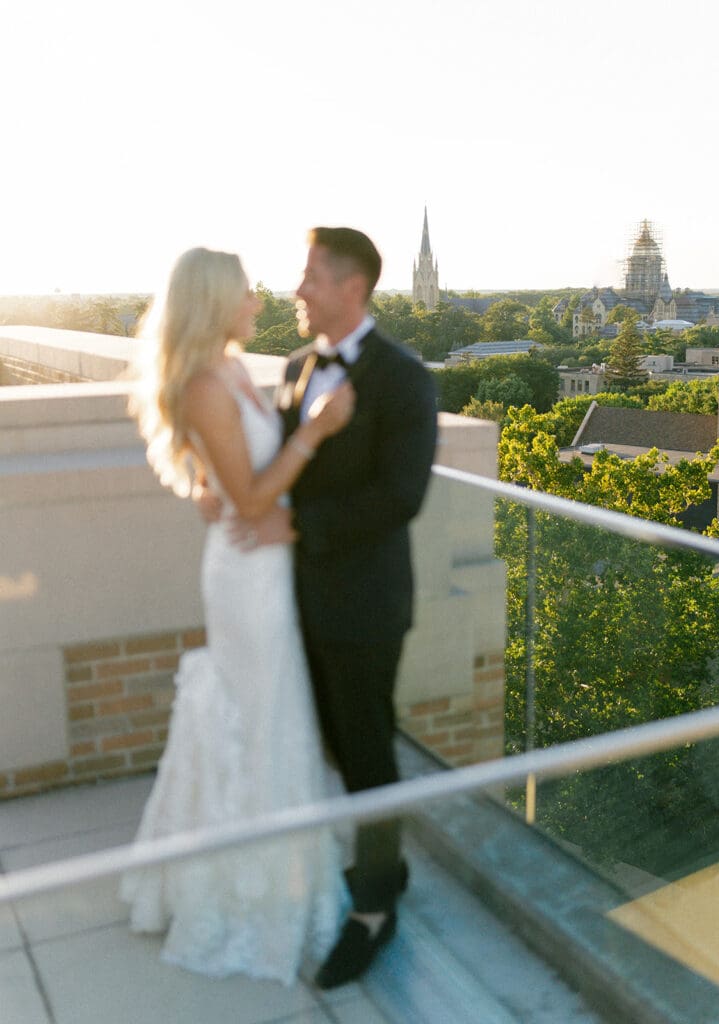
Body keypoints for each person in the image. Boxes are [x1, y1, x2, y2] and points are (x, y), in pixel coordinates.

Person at [119, 246, 355, 985]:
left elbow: (224, 483)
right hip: (247, 573)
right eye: (248, 293)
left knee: (277, 716)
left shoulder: (232, 369)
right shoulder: (201, 386)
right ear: (217, 301)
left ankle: (282, 878)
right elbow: (251, 500)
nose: (261, 303)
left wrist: (215, 488)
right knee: (261, 720)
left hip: (271, 565)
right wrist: (316, 430)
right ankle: (245, 896)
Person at [277, 227, 437, 987]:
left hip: (365, 603)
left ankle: (374, 906)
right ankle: (388, 861)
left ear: (352, 286)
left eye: (309, 276)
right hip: (293, 599)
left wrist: (302, 524)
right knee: (338, 745)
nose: (296, 290)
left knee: (367, 751)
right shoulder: (292, 367)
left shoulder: (403, 377)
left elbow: (402, 496)